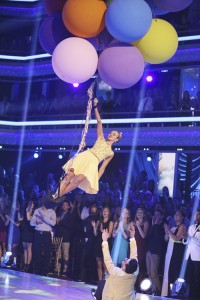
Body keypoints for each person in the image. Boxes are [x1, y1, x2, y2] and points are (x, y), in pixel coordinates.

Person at [52, 97, 122, 201]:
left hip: (93, 163)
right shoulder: (101, 138)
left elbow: (103, 168)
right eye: (111, 133)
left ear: (116, 139)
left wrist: (96, 179)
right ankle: (55, 195)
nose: (111, 134)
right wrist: (95, 107)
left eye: (114, 134)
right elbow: (99, 122)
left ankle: (59, 195)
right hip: (86, 155)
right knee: (69, 175)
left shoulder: (111, 153)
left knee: (77, 181)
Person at [92, 224, 138, 300]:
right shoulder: (135, 272)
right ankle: (97, 295)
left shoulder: (117, 273)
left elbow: (107, 259)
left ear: (124, 266)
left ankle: (97, 296)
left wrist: (104, 241)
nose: (125, 259)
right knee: (102, 283)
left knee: (102, 283)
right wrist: (132, 237)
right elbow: (134, 255)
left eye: (126, 260)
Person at [161, 210, 187, 297]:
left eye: (178, 214)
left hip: (176, 252)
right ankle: (166, 293)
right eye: (175, 214)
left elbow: (176, 238)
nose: (176, 215)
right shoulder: (172, 227)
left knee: (173, 271)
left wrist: (168, 229)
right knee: (167, 271)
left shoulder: (182, 226)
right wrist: (166, 231)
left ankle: (174, 293)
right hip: (169, 251)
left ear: (182, 217)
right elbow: (166, 239)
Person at [185, 210, 200, 298]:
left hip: (198, 257)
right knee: (189, 278)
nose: (197, 216)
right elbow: (187, 242)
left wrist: (190, 238)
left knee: (197, 279)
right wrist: (185, 238)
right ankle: (191, 296)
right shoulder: (191, 227)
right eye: (196, 215)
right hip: (189, 256)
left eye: (199, 215)